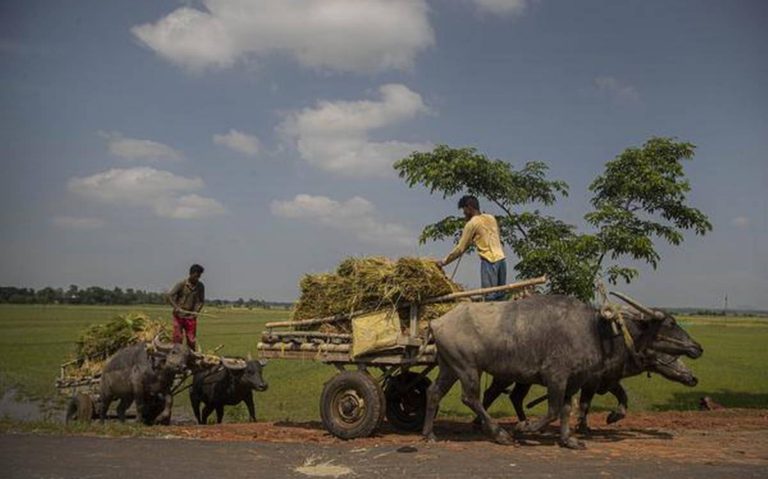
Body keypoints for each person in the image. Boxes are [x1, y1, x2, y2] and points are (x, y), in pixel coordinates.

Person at [436, 195, 507, 300]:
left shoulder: (472, 223)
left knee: (490, 298)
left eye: (464, 210)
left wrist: (443, 262)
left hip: (489, 261)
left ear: (469, 208)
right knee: (500, 298)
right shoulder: (491, 218)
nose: (464, 213)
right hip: (502, 260)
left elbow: (460, 248)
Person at [167, 264, 205, 351]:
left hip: (191, 316)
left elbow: (201, 301)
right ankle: (176, 355)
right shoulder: (181, 284)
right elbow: (170, 296)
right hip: (179, 315)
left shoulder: (200, 286)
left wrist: (196, 312)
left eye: (199, 277)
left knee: (191, 339)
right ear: (191, 274)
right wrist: (176, 307)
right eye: (196, 276)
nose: (197, 279)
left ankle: (191, 358)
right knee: (178, 337)